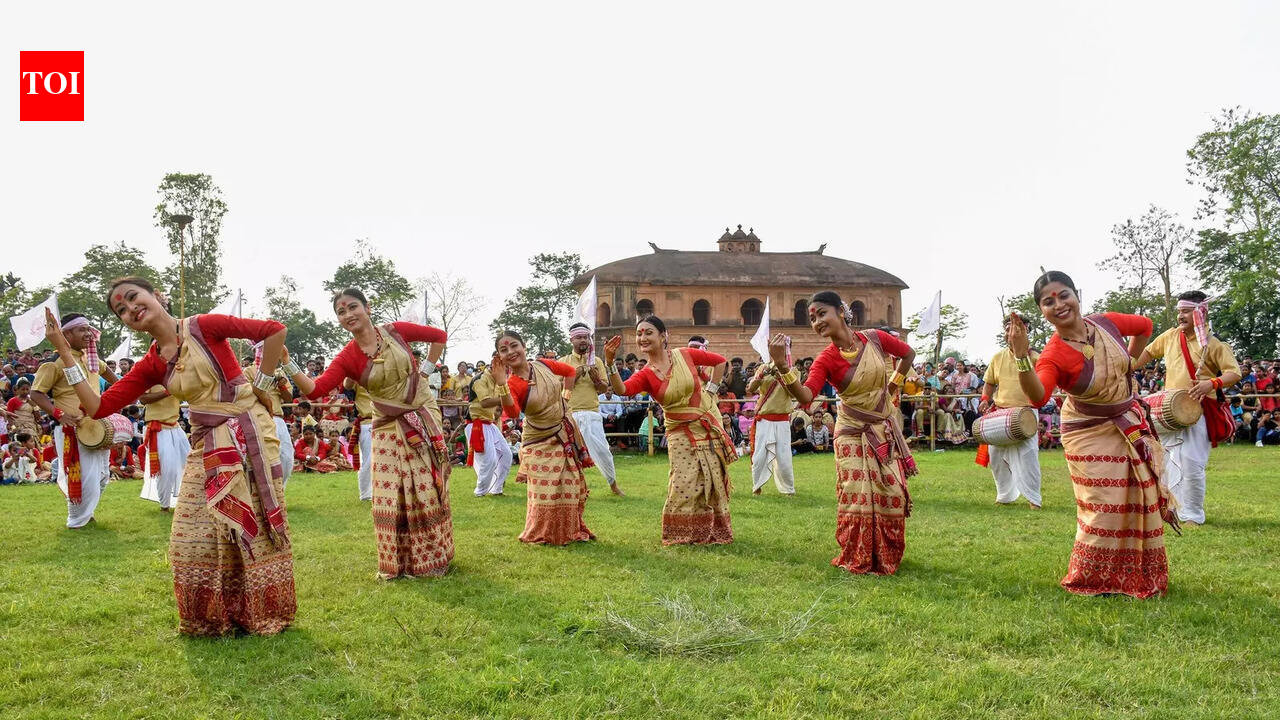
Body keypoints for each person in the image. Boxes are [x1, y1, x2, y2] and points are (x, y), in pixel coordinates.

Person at [44, 277, 295, 636]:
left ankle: (260, 612)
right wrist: (64, 352)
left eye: (133, 298)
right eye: (121, 310)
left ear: (155, 295)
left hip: (248, 432)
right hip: (207, 439)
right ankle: (209, 618)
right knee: (189, 535)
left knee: (250, 527)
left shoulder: (204, 326)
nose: (130, 309)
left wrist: (263, 383)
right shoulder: (151, 363)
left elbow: (274, 331)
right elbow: (98, 406)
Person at [1008, 270, 1178, 598]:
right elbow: (1038, 397)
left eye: (1063, 295)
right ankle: (1093, 577)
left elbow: (1144, 326)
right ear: (1042, 312)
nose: (1058, 304)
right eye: (1048, 302)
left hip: (1126, 419)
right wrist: (1020, 356)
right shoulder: (1054, 353)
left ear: (1076, 295)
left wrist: (1130, 361)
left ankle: (1136, 572)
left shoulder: (1106, 323)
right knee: (1104, 502)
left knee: (1137, 495)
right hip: (1087, 431)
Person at [288, 288, 453, 580]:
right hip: (387, 424)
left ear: (368, 308)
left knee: (425, 484)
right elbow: (316, 389)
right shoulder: (348, 356)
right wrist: (288, 362)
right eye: (341, 312)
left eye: (353, 307)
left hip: (421, 411)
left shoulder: (396, 332)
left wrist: (424, 372)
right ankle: (398, 563)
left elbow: (439, 336)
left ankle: (433, 557)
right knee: (391, 491)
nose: (348, 314)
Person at [769, 291, 917, 575]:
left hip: (881, 427)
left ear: (840, 311)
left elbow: (908, 353)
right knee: (857, 495)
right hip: (851, 432)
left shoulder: (874, 338)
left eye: (821, 313)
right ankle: (859, 554)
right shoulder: (825, 359)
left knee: (892, 490)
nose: (817, 322)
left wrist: (894, 386)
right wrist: (782, 366)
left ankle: (886, 554)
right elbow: (806, 397)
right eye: (812, 318)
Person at [604, 316, 735, 545]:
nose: (642, 338)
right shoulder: (645, 373)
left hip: (706, 424)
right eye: (639, 333)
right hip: (679, 431)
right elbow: (623, 389)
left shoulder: (685, 355)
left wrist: (712, 392)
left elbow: (720, 361)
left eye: (648, 332)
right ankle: (681, 534)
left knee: (712, 478)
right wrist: (610, 362)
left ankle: (714, 532)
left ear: (664, 336)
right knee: (683, 482)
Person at [1134, 291, 1241, 525]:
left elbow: (1235, 372)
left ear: (1200, 312)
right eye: (1179, 311)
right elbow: (1149, 352)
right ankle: (1172, 509)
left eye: (1185, 311)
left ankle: (1192, 515)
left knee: (1192, 463)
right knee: (1168, 462)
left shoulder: (1213, 344)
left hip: (1198, 412)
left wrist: (1211, 383)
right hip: (1169, 411)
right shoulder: (1171, 336)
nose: (1180, 316)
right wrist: (1128, 366)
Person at [492, 330, 595, 545]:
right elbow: (512, 414)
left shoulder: (543, 365)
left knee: (569, 484)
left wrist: (565, 397)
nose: (511, 352)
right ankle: (542, 534)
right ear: (499, 357)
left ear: (524, 346)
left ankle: (569, 531)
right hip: (538, 439)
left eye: (514, 346)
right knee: (544, 492)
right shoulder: (512, 383)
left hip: (562, 432)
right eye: (504, 350)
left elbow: (570, 372)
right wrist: (501, 383)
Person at [30, 314, 122, 529]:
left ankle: (85, 514)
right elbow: (36, 394)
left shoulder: (92, 361)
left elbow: (117, 382)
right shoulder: (54, 364)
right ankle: (77, 521)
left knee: (101, 476)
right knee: (81, 477)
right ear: (66, 334)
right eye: (82, 329)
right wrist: (59, 414)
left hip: (97, 427)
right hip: (73, 429)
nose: (88, 333)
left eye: (89, 329)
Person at [978, 318, 1043, 508]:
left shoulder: (1036, 358)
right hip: (1000, 412)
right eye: (1008, 329)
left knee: (1028, 456)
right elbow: (989, 383)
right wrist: (984, 399)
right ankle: (1004, 496)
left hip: (1026, 413)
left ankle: (1033, 499)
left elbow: (1042, 387)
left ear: (1026, 332)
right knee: (996, 456)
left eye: (1017, 329)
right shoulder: (998, 357)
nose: (1011, 333)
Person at [564, 323, 623, 495]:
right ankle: (577, 488)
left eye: (586, 337)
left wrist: (597, 380)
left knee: (603, 452)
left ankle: (613, 485)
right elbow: (560, 388)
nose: (583, 340)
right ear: (571, 340)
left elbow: (604, 388)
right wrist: (576, 374)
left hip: (592, 413)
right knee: (571, 454)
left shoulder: (596, 361)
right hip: (571, 414)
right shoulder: (564, 362)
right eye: (579, 337)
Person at [137, 382, 191, 511]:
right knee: (166, 469)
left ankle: (189, 500)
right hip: (158, 428)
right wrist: (167, 392)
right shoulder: (151, 375)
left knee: (190, 463)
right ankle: (165, 505)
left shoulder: (176, 374)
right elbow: (143, 399)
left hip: (175, 426)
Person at [745, 359, 795, 495]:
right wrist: (762, 375)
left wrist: (781, 376)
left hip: (782, 420)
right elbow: (751, 388)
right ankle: (757, 487)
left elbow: (793, 393)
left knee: (784, 457)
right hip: (764, 418)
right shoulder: (763, 367)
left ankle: (789, 489)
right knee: (759, 456)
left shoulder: (793, 370)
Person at [465, 363, 511, 497]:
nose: (506, 374)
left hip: (489, 423)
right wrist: (509, 399)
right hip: (476, 424)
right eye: (504, 370)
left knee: (506, 454)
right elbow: (485, 403)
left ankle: (497, 489)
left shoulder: (498, 381)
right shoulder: (480, 379)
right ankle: (480, 492)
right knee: (489, 460)